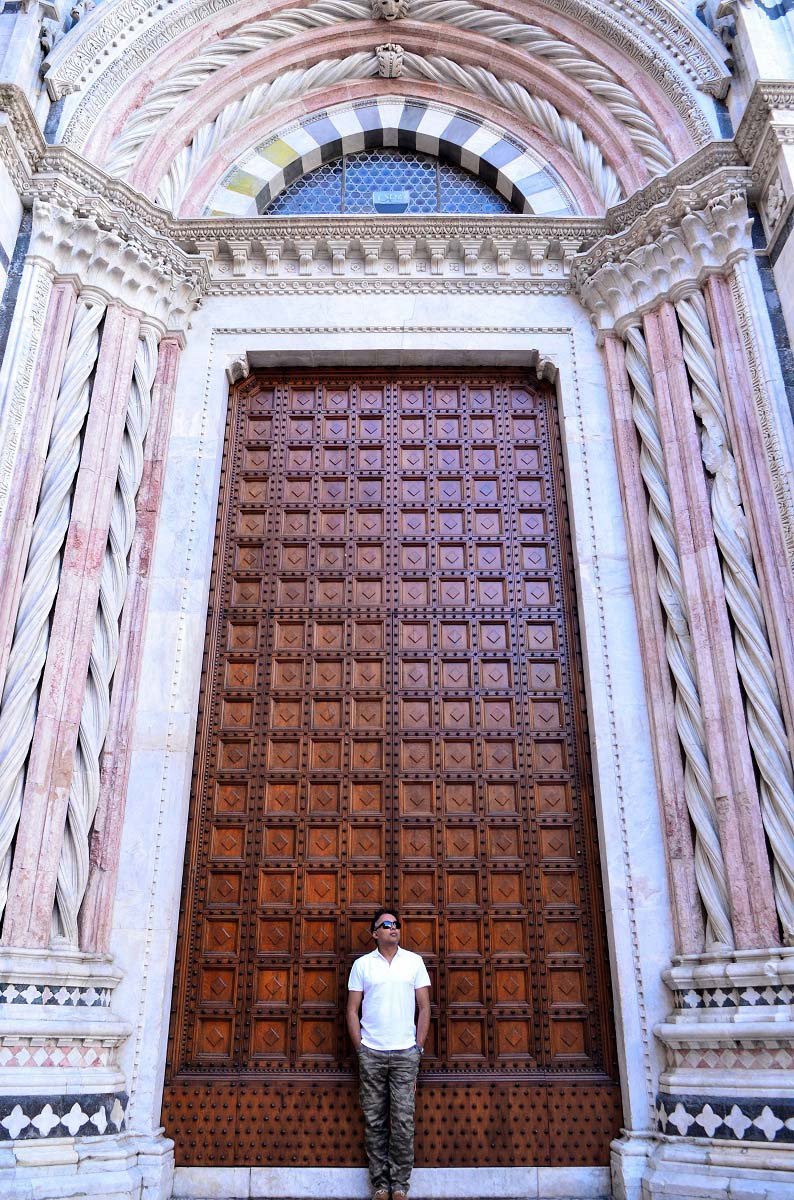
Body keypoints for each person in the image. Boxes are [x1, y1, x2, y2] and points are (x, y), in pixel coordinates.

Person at [347, 908, 431, 1200]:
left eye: (395, 924)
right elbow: (351, 1009)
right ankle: (380, 1185)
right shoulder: (362, 966)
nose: (392, 928)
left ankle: (400, 1186)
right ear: (374, 934)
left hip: (405, 1054)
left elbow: (425, 1007)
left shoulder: (414, 962)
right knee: (375, 1121)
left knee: (403, 1121)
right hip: (372, 1053)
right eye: (385, 925)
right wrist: (361, 1048)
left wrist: (418, 1048)